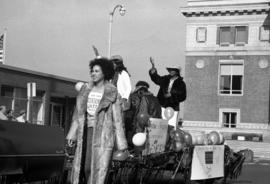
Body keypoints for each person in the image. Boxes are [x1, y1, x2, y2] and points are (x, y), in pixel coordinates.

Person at [66, 57, 128, 184]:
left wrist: (121, 144)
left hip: (103, 135)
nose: (93, 73)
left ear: (105, 72)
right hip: (85, 133)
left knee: (96, 170)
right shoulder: (85, 90)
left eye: (97, 71)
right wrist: (72, 135)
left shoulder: (112, 92)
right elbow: (77, 115)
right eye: (92, 71)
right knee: (82, 167)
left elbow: (117, 120)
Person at [149, 57, 186, 127]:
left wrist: (172, 94)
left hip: (173, 108)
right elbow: (157, 79)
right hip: (161, 105)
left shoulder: (181, 83)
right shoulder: (165, 79)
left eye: (172, 70)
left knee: (171, 126)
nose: (170, 71)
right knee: (160, 125)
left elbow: (183, 96)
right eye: (169, 70)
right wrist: (153, 70)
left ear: (177, 71)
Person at [125, 81, 162, 148]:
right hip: (154, 127)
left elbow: (139, 114)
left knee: (135, 148)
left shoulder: (137, 97)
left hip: (137, 129)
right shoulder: (155, 98)